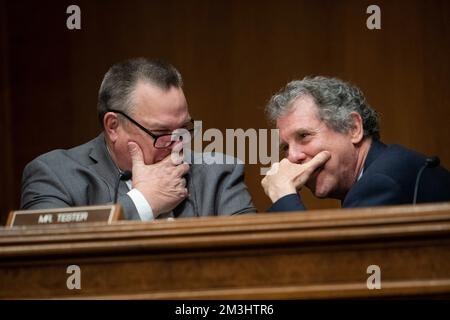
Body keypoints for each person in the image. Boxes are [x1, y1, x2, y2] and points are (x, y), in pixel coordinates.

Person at [21, 58, 256, 220]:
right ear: (113, 126)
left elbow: (249, 260)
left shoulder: (219, 174)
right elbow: (49, 257)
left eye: (184, 128)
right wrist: (142, 202)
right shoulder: (55, 175)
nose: (178, 145)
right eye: (162, 133)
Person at [261, 76, 450, 212]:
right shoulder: (377, 172)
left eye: (304, 136)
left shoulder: (382, 182)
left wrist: (283, 196)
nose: (293, 156)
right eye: (285, 147)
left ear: (353, 128)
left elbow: (327, 264)